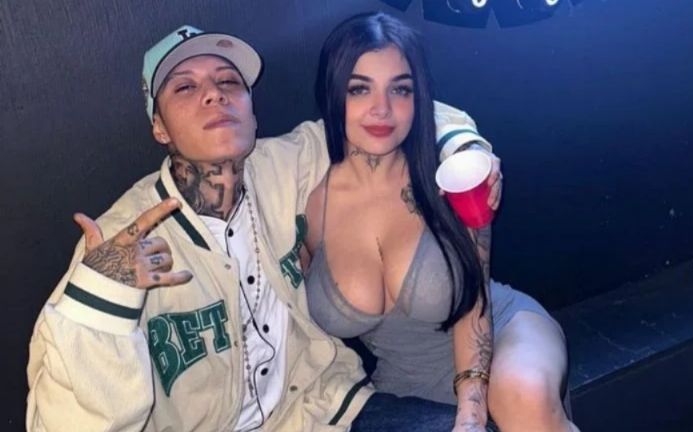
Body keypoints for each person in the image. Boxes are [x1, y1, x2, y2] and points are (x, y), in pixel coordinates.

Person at [26, 23, 500, 431]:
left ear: (252, 112)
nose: (214, 94)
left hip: (324, 411)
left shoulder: (290, 163)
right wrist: (102, 311)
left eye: (228, 82)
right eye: (185, 88)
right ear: (160, 127)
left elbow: (394, 112)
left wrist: (465, 149)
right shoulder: (120, 242)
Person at [303, 12, 579, 432]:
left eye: (400, 89)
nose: (382, 108)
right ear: (333, 93)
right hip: (401, 383)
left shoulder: (454, 173)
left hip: (501, 334)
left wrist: (471, 417)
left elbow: (475, 303)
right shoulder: (306, 200)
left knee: (522, 397)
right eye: (360, 89)